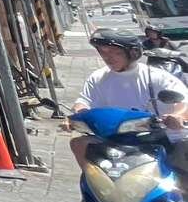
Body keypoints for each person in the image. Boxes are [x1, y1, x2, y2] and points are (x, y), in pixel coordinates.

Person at [72, 30, 188, 176]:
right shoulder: (98, 77)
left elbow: (183, 102)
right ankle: (95, 185)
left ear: (133, 53)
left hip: (165, 138)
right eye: (103, 52)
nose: (108, 57)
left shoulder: (156, 76)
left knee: (182, 169)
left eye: (115, 52)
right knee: (79, 143)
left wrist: (177, 116)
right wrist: (78, 117)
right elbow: (83, 102)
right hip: (118, 139)